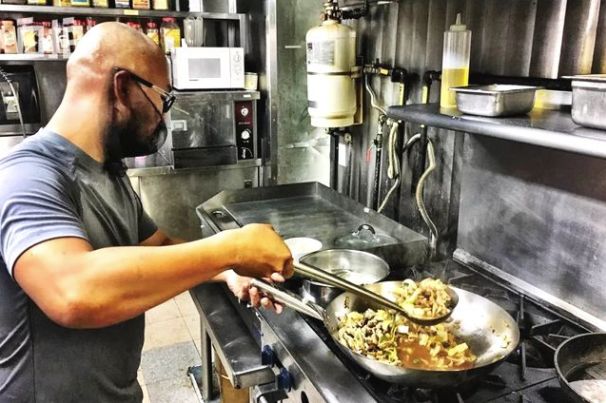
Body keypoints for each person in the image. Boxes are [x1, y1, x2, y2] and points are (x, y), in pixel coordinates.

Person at [0, 22, 293, 402]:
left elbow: (158, 245)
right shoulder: (27, 176)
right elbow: (72, 292)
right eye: (163, 100)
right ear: (123, 88)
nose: (163, 119)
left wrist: (228, 271)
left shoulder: (108, 170)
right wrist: (231, 247)